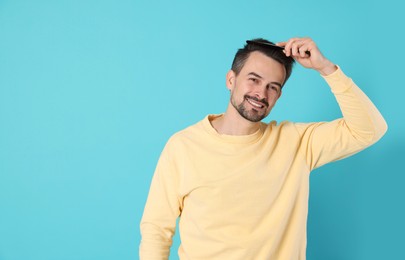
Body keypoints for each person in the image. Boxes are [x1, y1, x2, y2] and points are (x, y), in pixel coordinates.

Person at [139, 37, 387, 259]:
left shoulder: (297, 142)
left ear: (278, 96)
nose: (261, 93)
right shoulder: (183, 146)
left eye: (273, 86)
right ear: (231, 79)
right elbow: (156, 230)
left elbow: (369, 130)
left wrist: (326, 69)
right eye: (254, 80)